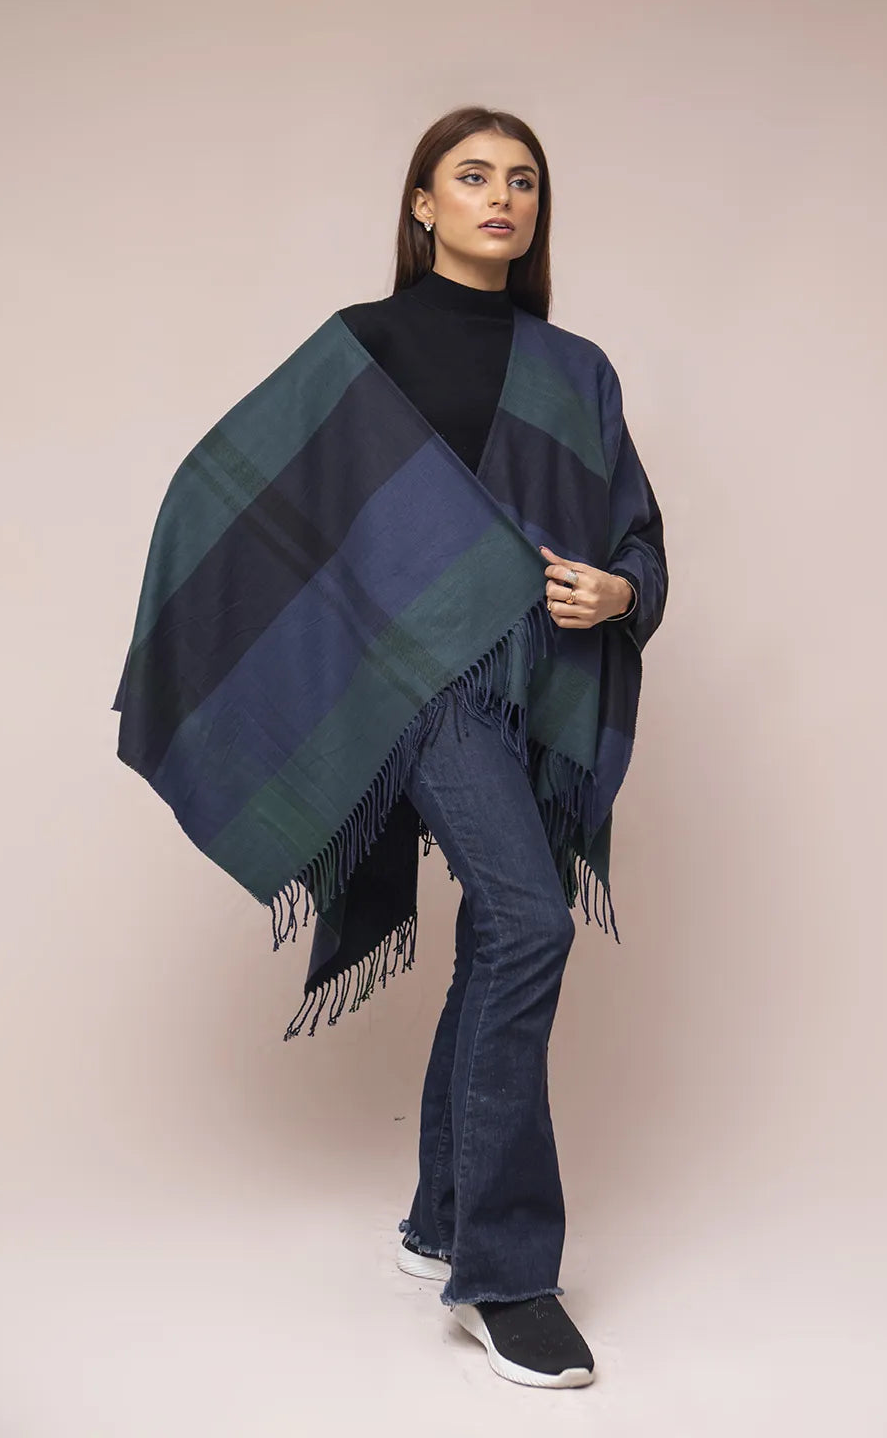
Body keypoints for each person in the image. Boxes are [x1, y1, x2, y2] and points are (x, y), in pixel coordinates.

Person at [334, 106, 667, 1389]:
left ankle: (437, 1217)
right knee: (532, 922)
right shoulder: (360, 348)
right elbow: (281, 522)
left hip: (536, 684)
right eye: (471, 176)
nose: (501, 198)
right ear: (421, 204)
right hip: (418, 687)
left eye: (522, 180)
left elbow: (636, 537)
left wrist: (618, 592)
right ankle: (505, 1273)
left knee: (496, 933)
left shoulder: (575, 368)